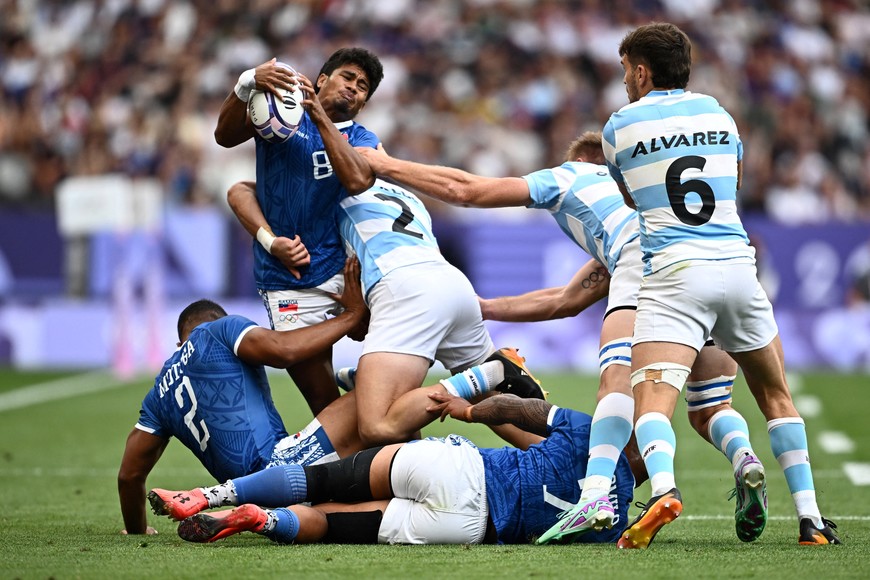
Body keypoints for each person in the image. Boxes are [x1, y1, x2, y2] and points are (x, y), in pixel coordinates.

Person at [359, 132, 767, 545]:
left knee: (624, 389)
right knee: (715, 404)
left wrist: (386, 166)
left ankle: (615, 493)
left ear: (583, 160)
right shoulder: (641, 209)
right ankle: (780, 490)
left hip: (648, 268)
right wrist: (486, 307)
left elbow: (469, 191)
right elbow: (566, 300)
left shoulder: (571, 175)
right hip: (706, 266)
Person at [601, 22, 839, 547]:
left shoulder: (619, 126)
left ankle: (663, 489)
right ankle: (811, 521)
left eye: (625, 70)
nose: (623, 80)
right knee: (776, 396)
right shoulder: (720, 114)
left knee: (652, 401)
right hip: (738, 268)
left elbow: (631, 198)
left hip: (675, 276)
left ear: (641, 72)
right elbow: (728, 179)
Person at [119, 257, 539, 536]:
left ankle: (244, 513)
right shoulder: (218, 330)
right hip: (284, 467)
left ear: (178, 341)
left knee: (377, 483)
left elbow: (129, 476)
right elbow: (283, 351)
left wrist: (138, 531)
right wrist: (352, 317)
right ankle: (492, 372)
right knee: (387, 401)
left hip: (259, 491)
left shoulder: (158, 395)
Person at [228, 178, 546, 449]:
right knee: (487, 400)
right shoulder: (403, 194)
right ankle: (561, 457)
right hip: (452, 284)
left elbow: (240, 189)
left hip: (405, 288)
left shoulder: (327, 187)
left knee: (378, 424)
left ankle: (488, 373)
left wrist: (269, 240)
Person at [149, 391, 642, 546]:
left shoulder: (593, 431)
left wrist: (466, 407)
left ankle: (211, 497)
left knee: (323, 480)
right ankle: (264, 520)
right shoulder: (614, 519)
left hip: (460, 470)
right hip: (471, 528)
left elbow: (517, 409)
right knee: (334, 526)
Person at [214, 48, 385, 416]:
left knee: (388, 387)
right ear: (321, 79)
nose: (354, 88)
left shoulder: (362, 139)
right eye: (348, 77)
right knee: (324, 404)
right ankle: (366, 459)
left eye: (363, 87)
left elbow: (356, 180)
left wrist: (320, 115)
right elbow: (224, 137)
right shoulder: (281, 112)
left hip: (344, 276)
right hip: (287, 282)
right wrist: (246, 85)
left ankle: (393, 449)